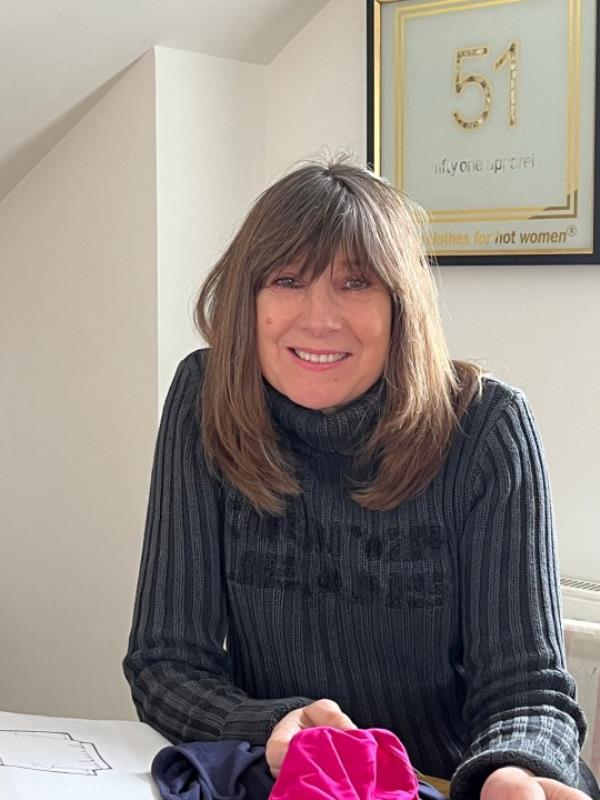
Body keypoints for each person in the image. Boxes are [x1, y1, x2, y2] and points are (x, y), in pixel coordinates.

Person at [123, 158, 600, 800]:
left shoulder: (488, 427)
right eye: (287, 279)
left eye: (355, 283)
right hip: (285, 779)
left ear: (400, 304)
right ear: (248, 298)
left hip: (442, 782)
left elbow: (529, 690)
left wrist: (509, 772)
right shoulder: (203, 397)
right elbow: (165, 660)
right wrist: (267, 723)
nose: (319, 319)